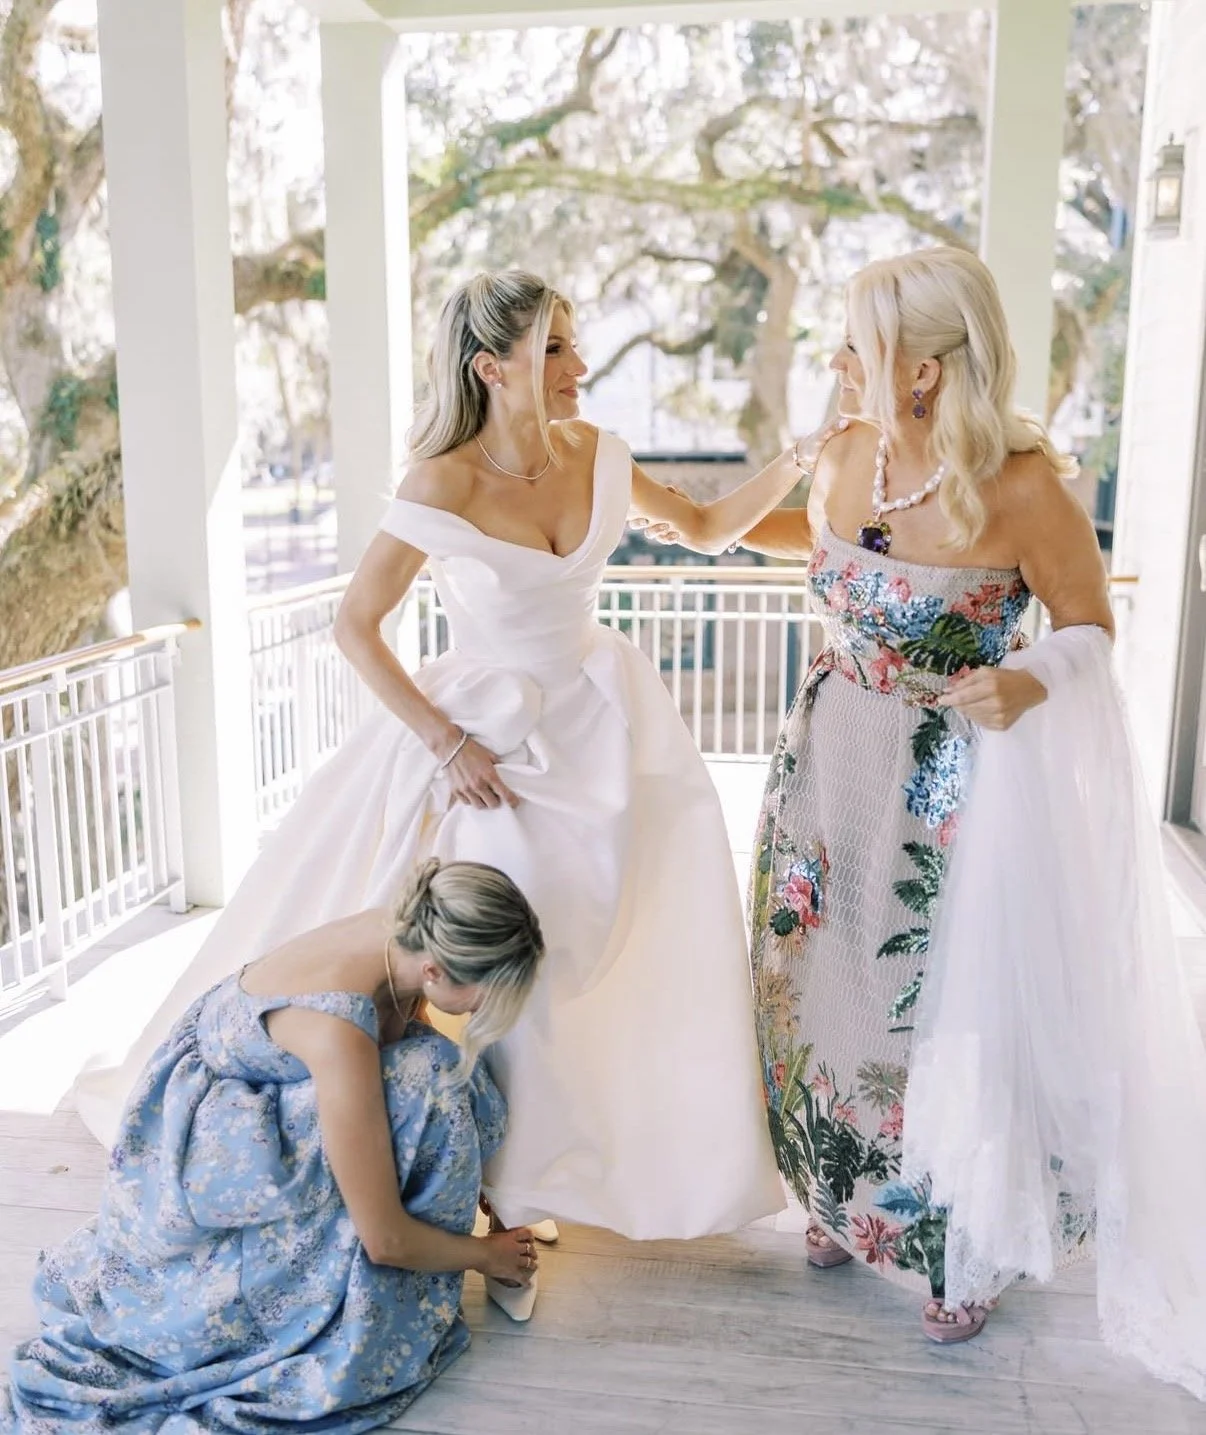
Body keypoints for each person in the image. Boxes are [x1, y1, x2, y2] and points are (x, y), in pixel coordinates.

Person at [75, 269, 847, 1322]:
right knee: (499, 961)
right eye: (558, 350)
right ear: (495, 367)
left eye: (574, 347)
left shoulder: (599, 453)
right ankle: (502, 1206)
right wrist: (445, 742)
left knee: (593, 948)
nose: (581, 367)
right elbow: (357, 623)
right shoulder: (437, 483)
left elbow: (710, 527)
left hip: (602, 723)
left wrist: (802, 459)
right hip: (484, 739)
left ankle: (576, 1169)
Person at [638, 246, 1206, 1398]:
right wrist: (632, 491)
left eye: (863, 345)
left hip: (954, 798)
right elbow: (799, 539)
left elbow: (1092, 623)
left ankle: (960, 1243)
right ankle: (843, 1195)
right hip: (828, 765)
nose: (840, 362)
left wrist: (1033, 678)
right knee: (820, 989)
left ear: (931, 371)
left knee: (944, 1015)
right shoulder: (847, 454)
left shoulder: (1028, 485)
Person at [5, 859, 545, 1434]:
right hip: (220, 1138)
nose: (487, 1009)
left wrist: (456, 1168)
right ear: (436, 971)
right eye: (487, 994)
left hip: (266, 1081)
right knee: (435, 1075)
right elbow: (384, 1240)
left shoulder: (410, 929)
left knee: (438, 1069)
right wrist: (486, 1256)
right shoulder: (339, 1031)